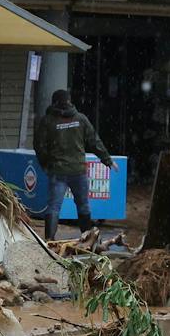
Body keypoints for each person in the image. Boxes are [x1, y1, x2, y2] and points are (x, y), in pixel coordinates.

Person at [33, 89, 113, 241]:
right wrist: (107, 159)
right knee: (83, 206)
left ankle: (50, 241)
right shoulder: (80, 119)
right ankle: (88, 239)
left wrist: (46, 164)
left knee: (54, 207)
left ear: (54, 102)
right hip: (78, 171)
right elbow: (94, 141)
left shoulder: (48, 121)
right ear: (70, 101)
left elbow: (39, 146)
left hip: (57, 171)